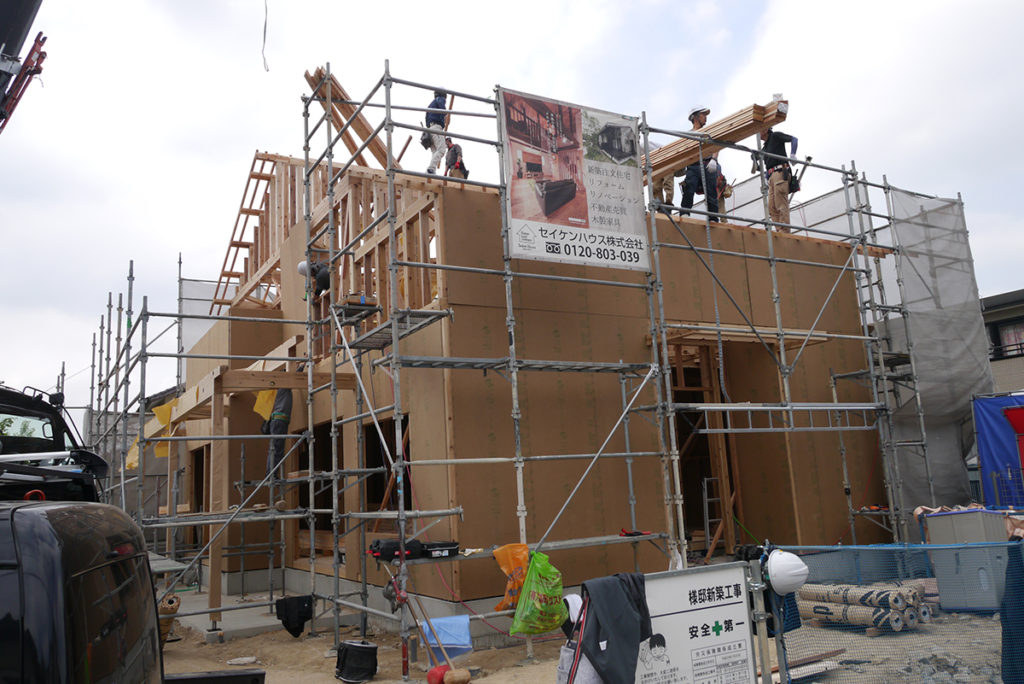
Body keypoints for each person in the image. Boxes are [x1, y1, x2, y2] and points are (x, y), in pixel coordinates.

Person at [678, 106, 720, 222]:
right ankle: (685, 213)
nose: (705, 117)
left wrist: (714, 160)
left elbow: (716, 146)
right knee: (689, 188)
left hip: (708, 163)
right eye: (703, 115)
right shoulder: (688, 135)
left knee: (711, 191)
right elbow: (684, 152)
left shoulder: (708, 132)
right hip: (693, 165)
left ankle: (713, 218)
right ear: (695, 117)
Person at [760, 127, 799, 230]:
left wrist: (793, 154)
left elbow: (794, 139)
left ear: (765, 130)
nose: (757, 133)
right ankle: (779, 231)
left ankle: (785, 233)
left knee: (781, 204)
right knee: (772, 208)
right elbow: (768, 164)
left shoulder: (775, 136)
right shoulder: (765, 147)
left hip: (780, 172)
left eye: (759, 130)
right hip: (772, 177)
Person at [264, 387, 292, 476]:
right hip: (280, 420)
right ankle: (271, 475)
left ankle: (271, 474)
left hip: (280, 420)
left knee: (277, 449)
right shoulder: (283, 384)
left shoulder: (280, 387)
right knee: (276, 449)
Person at [425, 89, 447, 174]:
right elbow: (443, 109)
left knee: (435, 152)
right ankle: (431, 169)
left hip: (430, 128)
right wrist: (446, 115)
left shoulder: (431, 104)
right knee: (441, 149)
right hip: (436, 127)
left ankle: (431, 171)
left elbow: (427, 119)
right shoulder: (440, 99)